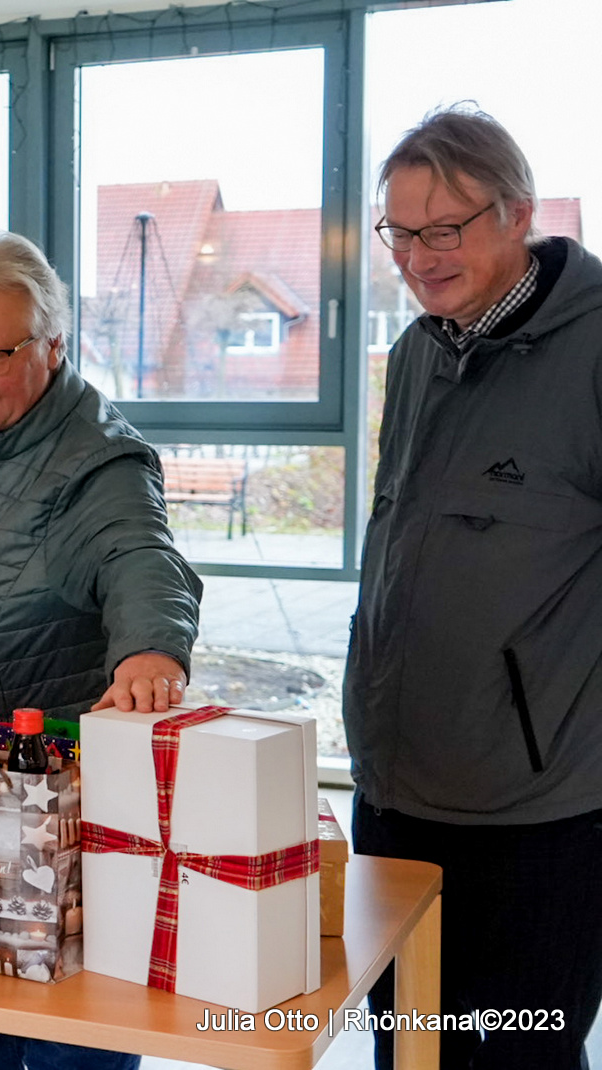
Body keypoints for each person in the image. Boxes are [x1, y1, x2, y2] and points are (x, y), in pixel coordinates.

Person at [0, 231, 202, 1070]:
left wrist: (151, 652)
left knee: (71, 1038)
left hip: (61, 814)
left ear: (53, 343)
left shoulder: (98, 461)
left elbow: (145, 559)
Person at [346, 105, 602, 1070]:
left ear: (517, 213)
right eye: (401, 233)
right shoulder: (419, 351)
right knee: (409, 1044)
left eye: (442, 230)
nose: (418, 256)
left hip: (542, 819)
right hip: (399, 790)